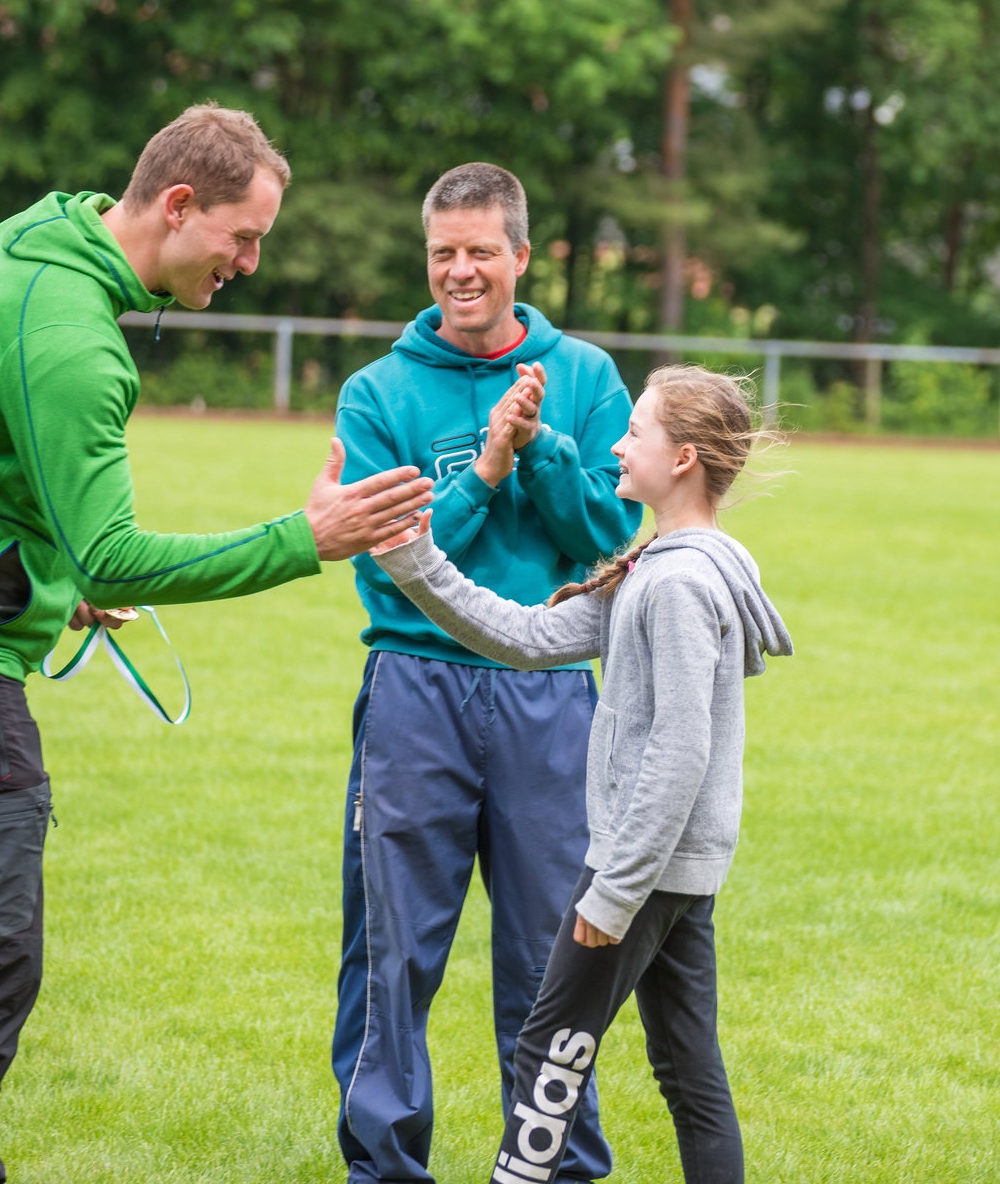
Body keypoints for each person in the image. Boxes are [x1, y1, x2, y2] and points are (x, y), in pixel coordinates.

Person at [0, 104, 434, 1184]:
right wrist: (312, 536)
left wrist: (44, 583)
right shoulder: (75, 339)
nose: (250, 262)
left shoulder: (37, 236)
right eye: (242, 237)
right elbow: (110, 554)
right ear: (177, 204)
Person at [369, 364, 791, 1184]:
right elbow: (528, 636)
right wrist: (415, 560)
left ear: (684, 459)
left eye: (635, 431)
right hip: (673, 869)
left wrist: (614, 892)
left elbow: (680, 749)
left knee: (547, 1055)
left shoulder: (677, 584)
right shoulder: (656, 565)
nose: (615, 445)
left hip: (641, 869)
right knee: (688, 1072)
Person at [329, 162, 641, 1184]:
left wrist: (541, 444)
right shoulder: (374, 393)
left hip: (549, 693)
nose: (459, 272)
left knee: (557, 952)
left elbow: (609, 539)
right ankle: (382, 1168)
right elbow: (392, 576)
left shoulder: (587, 379)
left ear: (519, 255)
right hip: (415, 686)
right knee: (391, 953)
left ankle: (553, 1163)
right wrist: (488, 469)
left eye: (478, 252)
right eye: (441, 254)